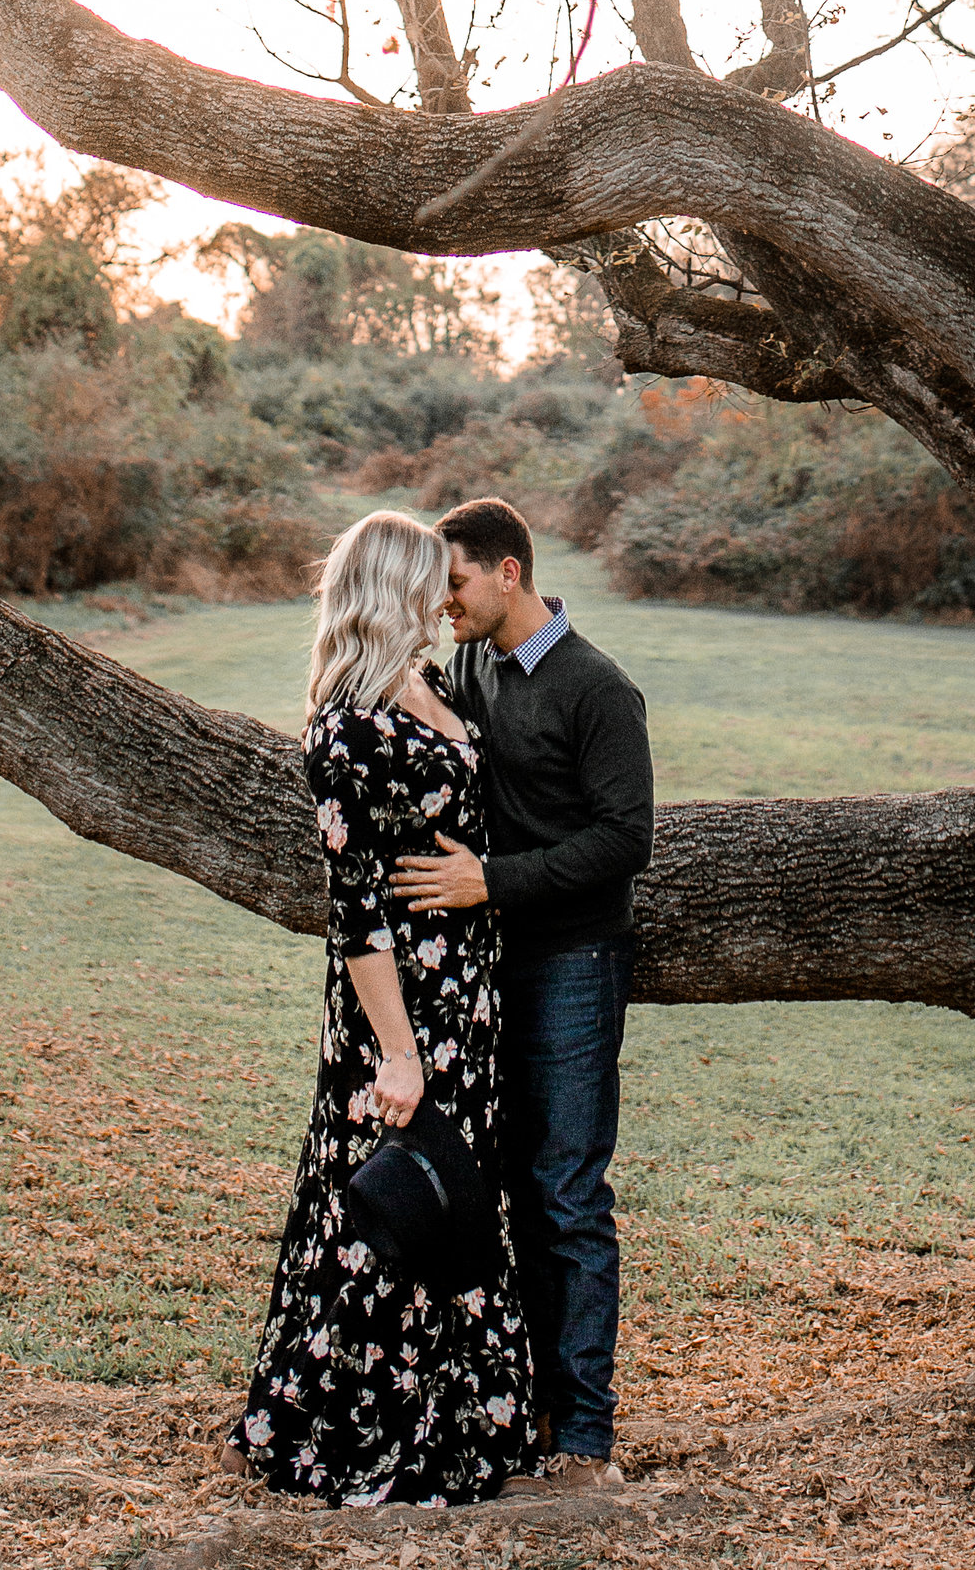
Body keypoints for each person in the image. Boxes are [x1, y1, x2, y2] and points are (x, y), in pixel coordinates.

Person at [230, 508, 538, 1508]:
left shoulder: (433, 683)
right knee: (389, 1202)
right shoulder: (345, 726)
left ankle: (463, 1431)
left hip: (468, 998)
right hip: (396, 1006)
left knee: (456, 1203)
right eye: (430, 580)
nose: (444, 596)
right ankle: (361, 1435)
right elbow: (354, 913)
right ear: (391, 588)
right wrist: (396, 1054)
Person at [391, 496, 654, 1495]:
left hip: (576, 965)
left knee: (569, 1198)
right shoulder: (468, 673)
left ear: (509, 572)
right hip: (488, 977)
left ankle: (584, 1440)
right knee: (510, 1198)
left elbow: (625, 841)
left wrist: (491, 881)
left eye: (451, 582)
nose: (440, 602)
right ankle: (525, 1411)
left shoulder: (597, 689)